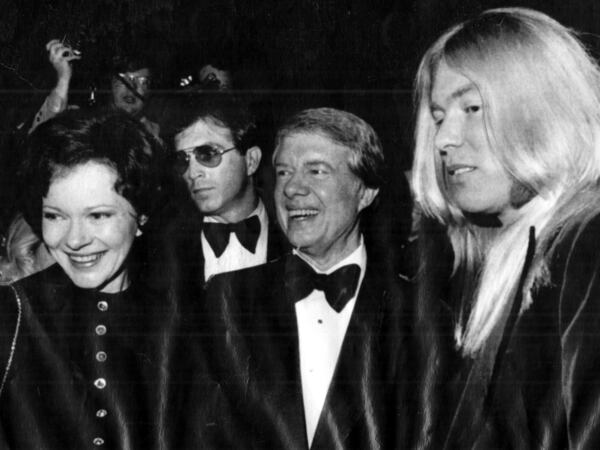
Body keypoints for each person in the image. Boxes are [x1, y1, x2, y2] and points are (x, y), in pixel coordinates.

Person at [411, 7, 600, 448]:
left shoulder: (587, 242)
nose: (443, 140)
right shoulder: (502, 254)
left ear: (545, 109)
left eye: (472, 107)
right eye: (438, 117)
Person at [175, 107, 409, 449]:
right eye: (284, 172)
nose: (293, 188)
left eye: (317, 171)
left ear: (366, 192)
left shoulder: (420, 316)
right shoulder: (224, 299)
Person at [0, 109, 174, 449]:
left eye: (97, 215)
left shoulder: (182, 318)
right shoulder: (11, 315)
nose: (75, 239)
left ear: (143, 215)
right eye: (55, 215)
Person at [168, 94, 287, 288]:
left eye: (207, 154)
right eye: (183, 160)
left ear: (251, 161)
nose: (192, 172)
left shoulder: (295, 236)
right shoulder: (161, 248)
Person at [27, 39, 159, 138]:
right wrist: (63, 78)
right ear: (110, 84)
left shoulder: (153, 135)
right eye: (125, 78)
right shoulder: (82, 121)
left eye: (142, 81)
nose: (133, 87)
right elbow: (39, 137)